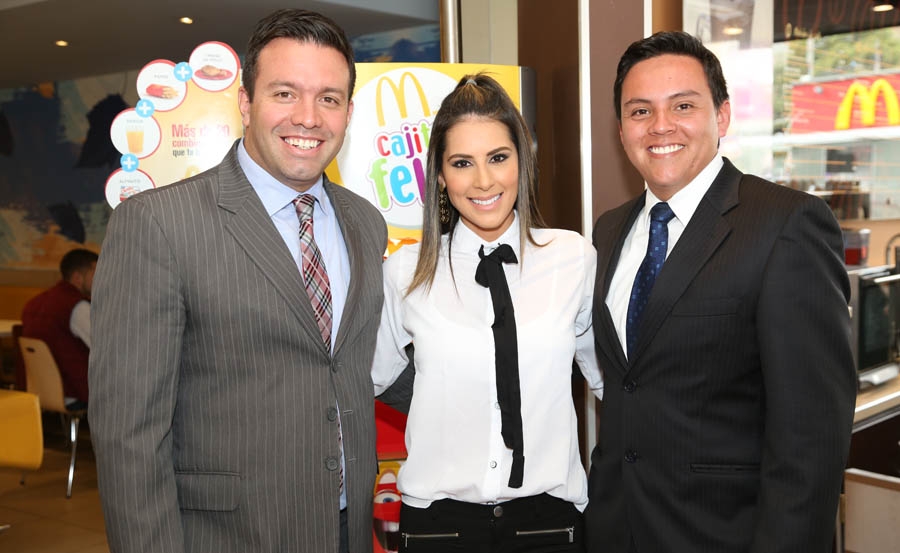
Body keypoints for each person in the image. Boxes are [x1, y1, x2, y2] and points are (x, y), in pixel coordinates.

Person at [89, 9, 388, 553]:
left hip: (346, 531)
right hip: (227, 537)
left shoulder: (365, 223)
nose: (308, 117)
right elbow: (128, 436)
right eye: (284, 93)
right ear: (246, 103)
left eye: (328, 98)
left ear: (348, 111)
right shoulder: (159, 223)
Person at [586, 31, 856, 553]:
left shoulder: (785, 224)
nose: (660, 125)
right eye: (640, 111)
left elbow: (811, 438)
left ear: (723, 116)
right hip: (619, 530)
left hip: (728, 536)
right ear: (621, 130)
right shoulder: (610, 230)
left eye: (683, 106)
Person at [372, 73, 603, 553]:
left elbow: (611, 382)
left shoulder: (573, 258)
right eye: (462, 163)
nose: (483, 181)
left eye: (498, 158)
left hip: (548, 525)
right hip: (438, 527)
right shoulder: (405, 272)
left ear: (522, 160)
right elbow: (366, 379)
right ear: (440, 175)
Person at [21, 248, 97, 409]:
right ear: (77, 277)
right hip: (74, 392)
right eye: (96, 273)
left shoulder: (34, 303)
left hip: (38, 390)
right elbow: (104, 348)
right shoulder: (77, 307)